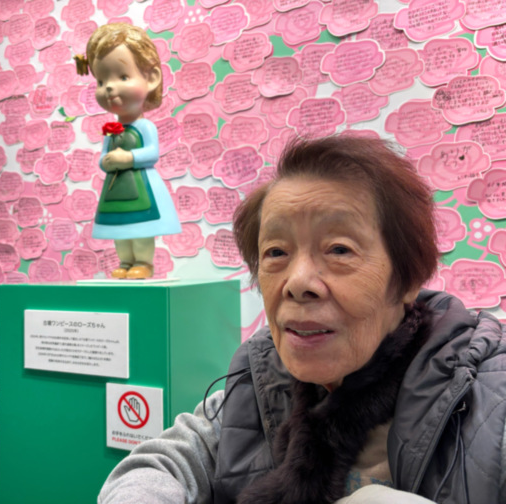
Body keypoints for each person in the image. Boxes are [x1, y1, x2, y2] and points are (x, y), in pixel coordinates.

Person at [98, 136, 506, 503]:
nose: (297, 283)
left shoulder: (487, 401)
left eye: (339, 249)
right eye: (276, 252)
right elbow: (160, 464)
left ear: (407, 279)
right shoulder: (259, 382)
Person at [75, 23, 180, 279]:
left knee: (141, 229)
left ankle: (143, 262)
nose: (109, 88)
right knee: (119, 231)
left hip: (142, 189)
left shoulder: (145, 126)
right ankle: (125, 261)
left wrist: (128, 157)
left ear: (151, 79)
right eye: (102, 81)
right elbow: (103, 158)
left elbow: (152, 153)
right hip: (115, 192)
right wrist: (106, 162)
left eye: (122, 77)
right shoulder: (110, 130)